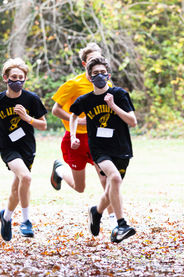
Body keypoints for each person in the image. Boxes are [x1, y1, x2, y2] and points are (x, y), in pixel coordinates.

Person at [69, 56, 137, 243]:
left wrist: (113, 105)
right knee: (113, 178)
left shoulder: (119, 95)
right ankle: (121, 224)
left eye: (102, 73)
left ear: (108, 74)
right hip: (99, 149)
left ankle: (96, 211)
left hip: (121, 148)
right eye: (95, 73)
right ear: (90, 77)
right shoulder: (85, 99)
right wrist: (74, 136)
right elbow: (73, 116)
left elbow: (133, 121)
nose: (99, 76)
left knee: (111, 188)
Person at [50, 42, 115, 223]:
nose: (97, 62)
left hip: (98, 138)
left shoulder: (106, 82)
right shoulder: (74, 84)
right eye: (92, 60)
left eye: (99, 58)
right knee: (80, 187)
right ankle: (60, 170)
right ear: (85, 64)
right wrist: (77, 120)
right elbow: (55, 110)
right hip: (75, 139)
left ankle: (111, 217)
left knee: (106, 177)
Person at [0, 58, 47, 241]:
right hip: (9, 148)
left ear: (25, 79)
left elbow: (43, 125)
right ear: (6, 78)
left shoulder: (31, 99)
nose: (17, 81)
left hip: (27, 148)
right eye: (13, 77)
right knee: (26, 177)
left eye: (21, 77)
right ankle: (26, 221)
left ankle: (6, 217)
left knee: (17, 187)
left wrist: (27, 118)